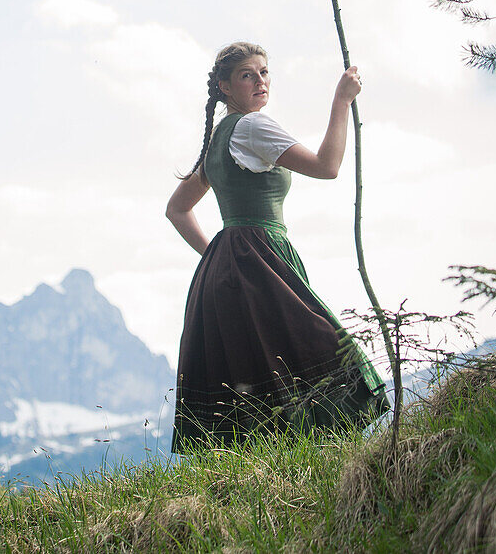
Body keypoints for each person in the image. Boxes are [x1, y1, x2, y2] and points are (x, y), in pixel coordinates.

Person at [166, 41, 388, 451]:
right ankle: (319, 458)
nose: (260, 81)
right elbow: (327, 166)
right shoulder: (252, 126)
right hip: (261, 257)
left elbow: (177, 210)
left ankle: (275, 466)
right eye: (247, 75)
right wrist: (341, 101)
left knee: (254, 366)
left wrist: (218, 258)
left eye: (264, 72)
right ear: (225, 86)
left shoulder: (220, 137)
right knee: (319, 347)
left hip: (227, 268)